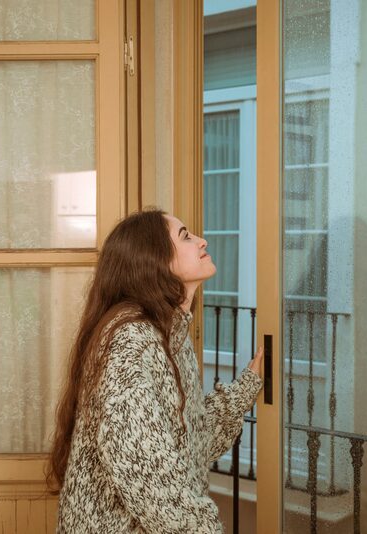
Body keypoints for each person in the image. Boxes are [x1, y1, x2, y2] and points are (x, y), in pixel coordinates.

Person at [47, 208, 264, 533]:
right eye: (185, 237)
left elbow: (192, 442)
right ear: (155, 261)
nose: (202, 241)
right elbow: (152, 484)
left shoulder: (170, 334)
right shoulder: (131, 340)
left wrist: (247, 386)